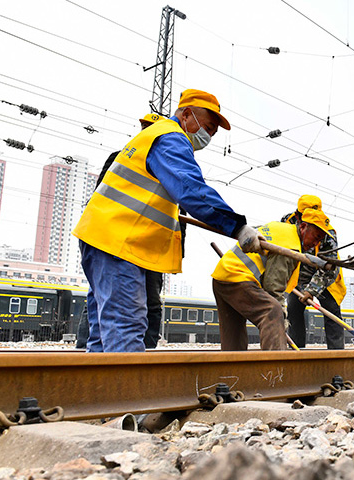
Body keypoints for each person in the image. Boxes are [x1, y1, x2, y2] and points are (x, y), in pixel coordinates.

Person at [73, 89, 263, 353]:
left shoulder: (152, 138)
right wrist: (237, 226)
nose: (208, 137)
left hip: (101, 238)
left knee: (104, 334)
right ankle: (122, 392)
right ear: (186, 115)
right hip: (119, 243)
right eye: (207, 128)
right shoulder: (170, 138)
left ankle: (98, 392)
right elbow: (191, 189)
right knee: (126, 326)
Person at [76, 113, 167, 350]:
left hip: (139, 243)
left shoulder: (154, 160)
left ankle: (104, 356)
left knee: (111, 300)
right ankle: (130, 354)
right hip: (124, 241)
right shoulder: (125, 159)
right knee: (122, 305)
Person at [211, 208, 332, 350]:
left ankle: (231, 370)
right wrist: (281, 320)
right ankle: (274, 370)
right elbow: (273, 288)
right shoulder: (290, 245)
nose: (316, 244)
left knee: (234, 334)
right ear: (303, 227)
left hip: (222, 277)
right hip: (239, 278)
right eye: (316, 237)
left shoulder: (282, 229)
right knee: (272, 311)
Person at [281, 195, 345, 349]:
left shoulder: (328, 233)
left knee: (331, 311)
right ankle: (297, 352)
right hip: (297, 274)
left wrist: (312, 290)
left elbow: (329, 269)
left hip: (323, 276)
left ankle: (336, 355)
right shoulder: (287, 222)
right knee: (293, 310)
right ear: (298, 216)